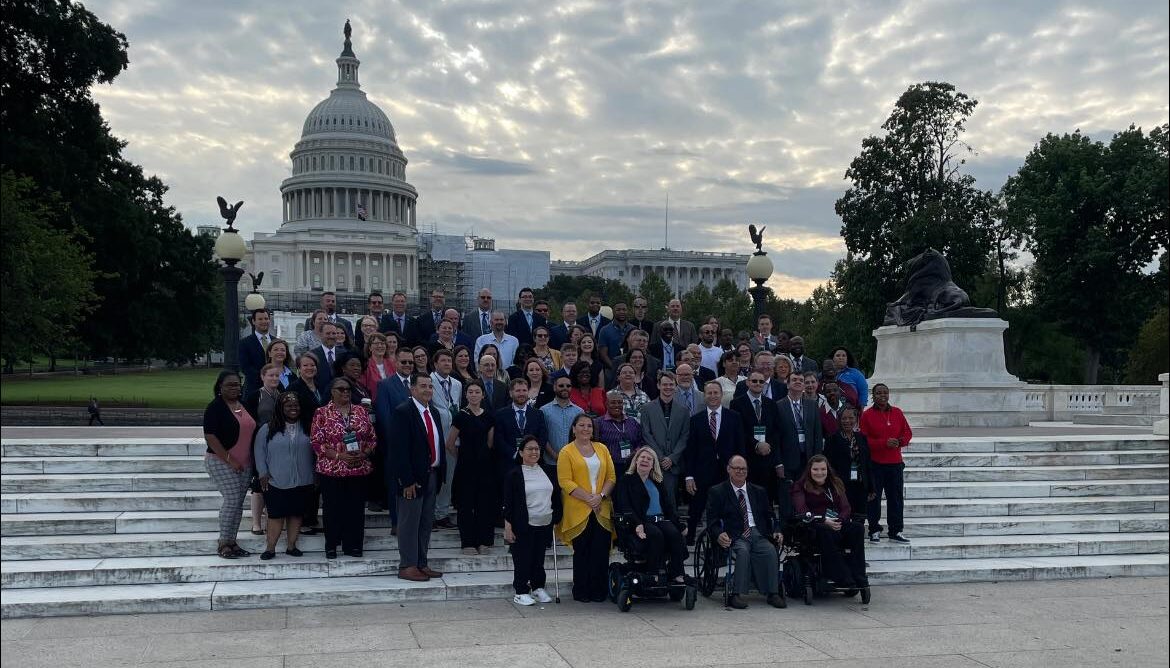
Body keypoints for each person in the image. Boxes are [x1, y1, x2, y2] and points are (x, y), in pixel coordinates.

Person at [706, 455, 785, 609]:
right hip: (735, 533)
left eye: (743, 469)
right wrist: (718, 534)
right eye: (737, 468)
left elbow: (770, 515)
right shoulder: (717, 491)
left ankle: (773, 593)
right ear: (728, 469)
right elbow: (712, 520)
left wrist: (776, 530)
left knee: (770, 550)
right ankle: (737, 594)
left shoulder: (758, 491)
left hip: (757, 531)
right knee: (743, 551)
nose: (740, 471)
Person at [389, 373, 447, 581]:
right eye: (423, 386)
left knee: (425, 523)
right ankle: (407, 565)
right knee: (409, 524)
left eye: (430, 386)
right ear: (412, 389)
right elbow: (399, 450)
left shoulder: (434, 413)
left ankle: (421, 562)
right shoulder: (403, 412)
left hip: (432, 475)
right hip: (412, 480)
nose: (427, 390)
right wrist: (406, 480)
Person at [311, 378, 375, 559]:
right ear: (332, 391)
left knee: (355, 509)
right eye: (341, 389)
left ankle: (353, 545)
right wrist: (339, 456)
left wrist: (365, 453)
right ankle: (331, 545)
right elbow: (316, 442)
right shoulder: (322, 413)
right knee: (333, 508)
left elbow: (372, 437)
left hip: (358, 467)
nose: (345, 392)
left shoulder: (361, 411)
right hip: (332, 469)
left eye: (348, 389)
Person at [556, 414, 617, 602]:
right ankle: (582, 591)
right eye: (581, 425)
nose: (585, 429)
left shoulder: (602, 448)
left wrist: (599, 497)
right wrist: (589, 499)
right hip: (578, 508)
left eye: (589, 426)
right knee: (582, 552)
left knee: (600, 550)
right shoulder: (566, 451)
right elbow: (565, 481)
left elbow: (611, 477)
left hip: (602, 507)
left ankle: (600, 591)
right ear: (573, 429)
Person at [790, 455, 868, 589]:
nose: (819, 473)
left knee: (858, 528)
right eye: (815, 469)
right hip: (814, 524)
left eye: (823, 469)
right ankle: (840, 575)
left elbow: (846, 507)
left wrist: (839, 520)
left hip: (836, 522)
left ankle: (859, 575)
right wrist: (824, 520)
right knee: (824, 531)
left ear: (828, 470)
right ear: (809, 470)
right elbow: (802, 510)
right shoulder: (800, 486)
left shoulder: (835, 483)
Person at [614, 446, 688, 584]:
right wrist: (638, 524)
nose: (645, 460)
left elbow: (668, 507)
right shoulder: (626, 480)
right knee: (656, 534)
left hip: (660, 519)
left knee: (674, 533)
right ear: (636, 461)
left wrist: (680, 525)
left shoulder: (657, 482)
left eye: (649, 459)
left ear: (653, 465)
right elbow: (625, 506)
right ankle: (653, 572)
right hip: (640, 521)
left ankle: (677, 573)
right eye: (642, 457)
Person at [202, 370, 256, 559]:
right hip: (220, 461)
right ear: (220, 387)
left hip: (245, 463)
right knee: (232, 500)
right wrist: (230, 460)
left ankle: (232, 542)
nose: (235, 388)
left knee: (238, 504)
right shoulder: (215, 407)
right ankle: (223, 542)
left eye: (237, 384)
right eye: (230, 385)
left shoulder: (243, 405)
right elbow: (210, 436)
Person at [503, 435, 563, 605]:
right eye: (530, 449)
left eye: (537, 448)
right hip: (523, 523)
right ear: (521, 452)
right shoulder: (513, 474)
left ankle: (538, 588)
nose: (534, 452)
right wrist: (508, 526)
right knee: (522, 558)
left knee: (538, 558)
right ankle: (521, 591)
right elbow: (508, 503)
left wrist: (557, 516)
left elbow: (556, 496)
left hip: (544, 522)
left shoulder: (548, 471)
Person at [254, 392, 314, 559]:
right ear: (281, 408)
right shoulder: (268, 428)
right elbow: (259, 452)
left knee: (296, 514)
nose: (293, 408)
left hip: (303, 480)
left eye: (296, 405)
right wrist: (262, 473)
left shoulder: (308, 426)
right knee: (276, 515)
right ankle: (270, 548)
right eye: (288, 405)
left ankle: (291, 546)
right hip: (275, 480)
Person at [683, 381, 744, 543]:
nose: (713, 396)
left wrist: (740, 471)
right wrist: (689, 476)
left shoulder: (734, 417)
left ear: (721, 394)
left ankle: (730, 539)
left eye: (716, 393)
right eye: (709, 393)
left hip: (727, 471)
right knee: (696, 507)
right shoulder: (696, 420)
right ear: (704, 396)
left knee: (728, 507)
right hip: (702, 471)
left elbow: (740, 446)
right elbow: (691, 450)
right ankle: (690, 539)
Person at [447, 380, 497, 554]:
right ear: (466, 395)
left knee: (485, 504)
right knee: (466, 505)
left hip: (484, 467)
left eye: (477, 392)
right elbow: (450, 444)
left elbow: (490, 443)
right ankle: (467, 542)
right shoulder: (460, 416)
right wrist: (463, 458)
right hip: (465, 468)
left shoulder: (489, 416)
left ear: (483, 395)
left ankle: (485, 541)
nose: (474, 395)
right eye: (471, 392)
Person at [860, 383, 911, 544]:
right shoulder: (867, 415)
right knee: (874, 499)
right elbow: (863, 440)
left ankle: (896, 530)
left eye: (885, 392)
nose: (882, 395)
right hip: (876, 463)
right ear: (872, 396)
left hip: (895, 463)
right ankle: (874, 529)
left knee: (895, 499)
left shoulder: (897, 412)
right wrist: (883, 443)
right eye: (878, 393)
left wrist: (900, 441)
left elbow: (907, 433)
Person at [731, 370, 784, 508]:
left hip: (768, 457)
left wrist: (767, 445)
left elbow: (776, 430)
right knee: (750, 497)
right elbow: (738, 431)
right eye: (754, 381)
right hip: (748, 457)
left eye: (761, 381)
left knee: (767, 498)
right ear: (748, 382)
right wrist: (756, 445)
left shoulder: (771, 404)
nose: (758, 384)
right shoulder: (736, 403)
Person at [640, 370, 690, 512]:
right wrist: (661, 457)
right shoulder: (647, 408)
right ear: (658, 386)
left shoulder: (683, 410)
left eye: (671, 384)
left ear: (676, 386)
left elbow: (684, 436)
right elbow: (646, 434)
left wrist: (672, 458)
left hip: (674, 464)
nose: (668, 387)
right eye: (665, 384)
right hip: (654, 462)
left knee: (671, 501)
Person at [777, 371, 824, 518]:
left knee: (808, 494)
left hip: (808, 458)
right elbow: (776, 437)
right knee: (788, 497)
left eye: (801, 380)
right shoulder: (778, 406)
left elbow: (817, 433)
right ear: (788, 383)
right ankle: (788, 529)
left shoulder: (812, 405)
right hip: (788, 459)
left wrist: (818, 459)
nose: (798, 382)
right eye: (794, 379)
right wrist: (778, 463)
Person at [243, 363, 282, 534]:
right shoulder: (254, 397)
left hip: (279, 445)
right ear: (262, 377)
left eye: (276, 376)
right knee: (259, 483)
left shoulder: (282, 396)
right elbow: (247, 423)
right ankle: (256, 522)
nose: (274, 379)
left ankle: (271, 518)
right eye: (270, 375)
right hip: (259, 444)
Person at [430, 349, 463, 530]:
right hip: (434, 437)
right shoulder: (429, 381)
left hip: (452, 437)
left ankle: (442, 514)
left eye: (449, 361)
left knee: (448, 478)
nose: (447, 364)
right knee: (433, 478)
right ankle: (430, 514)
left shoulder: (457, 384)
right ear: (435, 364)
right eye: (443, 361)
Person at [494, 378, 549, 476]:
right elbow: (499, 439)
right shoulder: (500, 414)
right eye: (518, 391)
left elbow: (543, 437)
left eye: (524, 390)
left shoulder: (538, 414)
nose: (521, 394)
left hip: (533, 463)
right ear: (511, 393)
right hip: (508, 464)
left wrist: (532, 453)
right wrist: (515, 454)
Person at [824, 407, 871, 514]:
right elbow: (829, 464)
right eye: (844, 418)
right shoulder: (832, 439)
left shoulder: (862, 438)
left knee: (859, 517)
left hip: (860, 484)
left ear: (856, 419)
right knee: (843, 514)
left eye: (851, 418)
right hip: (841, 485)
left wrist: (871, 487)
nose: (847, 421)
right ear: (839, 420)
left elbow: (867, 463)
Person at [540, 374, 583, 465]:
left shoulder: (579, 412)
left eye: (568, 386)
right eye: (561, 386)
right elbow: (543, 437)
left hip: (574, 462)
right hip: (551, 462)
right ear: (554, 388)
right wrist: (555, 456)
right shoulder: (544, 410)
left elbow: (582, 436)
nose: (565, 388)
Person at [597, 391, 645, 471]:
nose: (617, 405)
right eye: (613, 403)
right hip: (608, 467)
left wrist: (636, 452)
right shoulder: (599, 423)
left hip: (631, 466)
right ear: (606, 404)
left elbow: (642, 441)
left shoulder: (632, 422)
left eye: (620, 403)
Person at [239, 308, 274, 394]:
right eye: (260, 319)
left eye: (266, 319)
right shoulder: (245, 343)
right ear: (253, 321)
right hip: (253, 390)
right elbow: (245, 367)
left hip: (275, 388)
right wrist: (266, 378)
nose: (264, 321)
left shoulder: (277, 342)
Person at [310, 320, 347, 391]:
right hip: (320, 396)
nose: (331, 336)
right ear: (320, 335)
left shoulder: (344, 354)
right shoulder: (312, 355)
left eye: (334, 333)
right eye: (328, 333)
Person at [597, 302, 633, 369]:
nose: (621, 312)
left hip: (631, 370)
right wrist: (614, 368)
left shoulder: (633, 329)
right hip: (611, 370)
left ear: (628, 311)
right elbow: (603, 354)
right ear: (613, 311)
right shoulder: (605, 330)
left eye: (624, 309)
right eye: (618, 310)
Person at [362, 332, 395, 401]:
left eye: (382, 343)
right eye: (376, 344)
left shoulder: (393, 364)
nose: (380, 346)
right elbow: (363, 388)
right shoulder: (365, 365)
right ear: (370, 348)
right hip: (374, 402)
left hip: (393, 400)